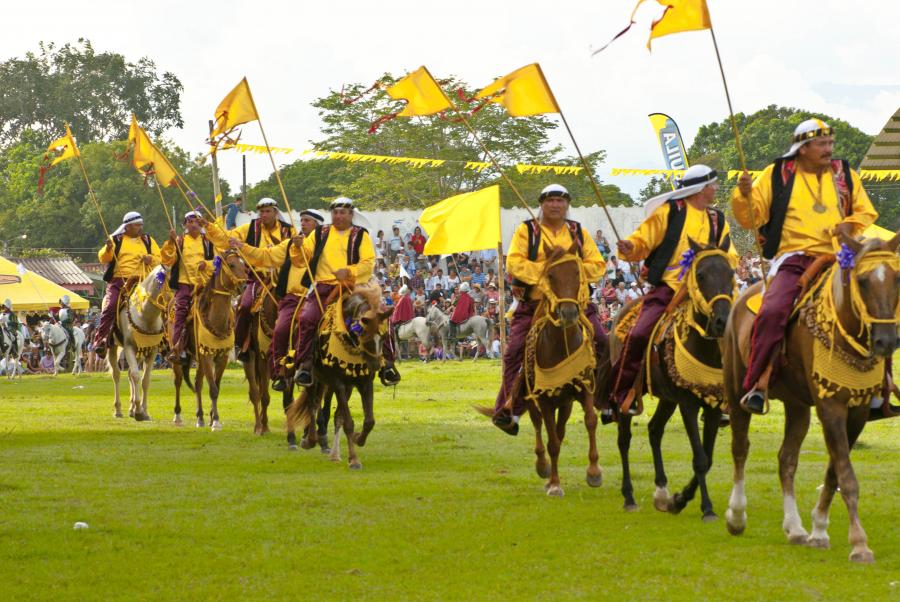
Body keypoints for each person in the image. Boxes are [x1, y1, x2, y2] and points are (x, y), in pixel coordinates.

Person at [732, 119, 877, 414]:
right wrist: (744, 194)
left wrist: (847, 226)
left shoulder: (844, 173)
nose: (829, 149)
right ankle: (758, 383)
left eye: (830, 144)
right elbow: (751, 217)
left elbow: (864, 210)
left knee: (877, 305)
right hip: (794, 258)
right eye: (822, 145)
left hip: (841, 257)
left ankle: (879, 387)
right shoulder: (777, 174)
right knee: (772, 311)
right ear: (803, 148)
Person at [610, 165, 734, 415]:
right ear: (700, 189)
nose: (716, 189)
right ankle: (623, 392)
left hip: (710, 290)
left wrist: (723, 268)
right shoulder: (669, 212)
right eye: (712, 185)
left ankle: (732, 394)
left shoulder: (717, 219)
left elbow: (730, 254)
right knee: (638, 334)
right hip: (670, 287)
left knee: (740, 331)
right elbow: (643, 239)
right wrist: (630, 246)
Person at [491, 184, 607, 435]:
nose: (556, 205)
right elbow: (514, 262)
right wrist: (547, 272)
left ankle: (606, 400)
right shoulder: (527, 231)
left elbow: (597, 265)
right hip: (535, 303)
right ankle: (509, 409)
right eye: (550, 200)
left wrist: (569, 271)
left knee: (603, 341)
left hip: (574, 302)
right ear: (542, 204)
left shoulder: (577, 231)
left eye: (560, 201)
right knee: (514, 353)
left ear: (567, 205)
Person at [290, 197, 400, 387]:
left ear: (351, 214)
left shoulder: (360, 235)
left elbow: (368, 263)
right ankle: (305, 365)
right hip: (324, 287)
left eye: (343, 212)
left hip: (355, 288)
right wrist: (297, 246)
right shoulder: (319, 233)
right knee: (307, 318)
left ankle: (387, 364)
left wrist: (348, 271)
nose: (338, 216)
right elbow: (302, 260)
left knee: (381, 315)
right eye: (335, 212)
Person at [218, 209, 323, 391]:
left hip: (319, 295)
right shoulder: (291, 243)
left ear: (317, 225)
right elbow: (266, 256)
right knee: (280, 328)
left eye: (307, 221)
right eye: (302, 220)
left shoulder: (326, 243)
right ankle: (280, 370)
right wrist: (243, 247)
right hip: (292, 296)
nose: (303, 224)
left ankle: (373, 360)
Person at [220, 197, 296, 362]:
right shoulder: (250, 228)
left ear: (275, 212)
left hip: (285, 279)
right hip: (257, 278)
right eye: (261, 211)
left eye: (268, 211)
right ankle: (241, 345)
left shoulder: (289, 231)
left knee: (300, 307)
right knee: (244, 305)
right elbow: (227, 237)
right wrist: (211, 228)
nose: (264, 214)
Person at [92, 212, 162, 359]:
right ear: (127, 226)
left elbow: (160, 258)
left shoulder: (148, 240)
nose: (140, 227)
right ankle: (101, 340)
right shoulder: (115, 239)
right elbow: (103, 258)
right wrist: (108, 248)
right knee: (110, 306)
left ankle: (166, 341)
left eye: (141, 224)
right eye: (137, 225)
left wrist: (151, 259)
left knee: (163, 303)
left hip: (143, 281)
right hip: (119, 281)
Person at [160, 211, 221, 362]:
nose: (192, 224)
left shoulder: (208, 241)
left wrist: (205, 264)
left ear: (201, 224)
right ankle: (176, 348)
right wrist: (171, 242)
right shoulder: (179, 241)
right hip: (185, 284)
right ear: (185, 225)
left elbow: (218, 262)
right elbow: (167, 260)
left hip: (205, 284)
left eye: (195, 221)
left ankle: (224, 342)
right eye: (189, 221)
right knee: (180, 311)